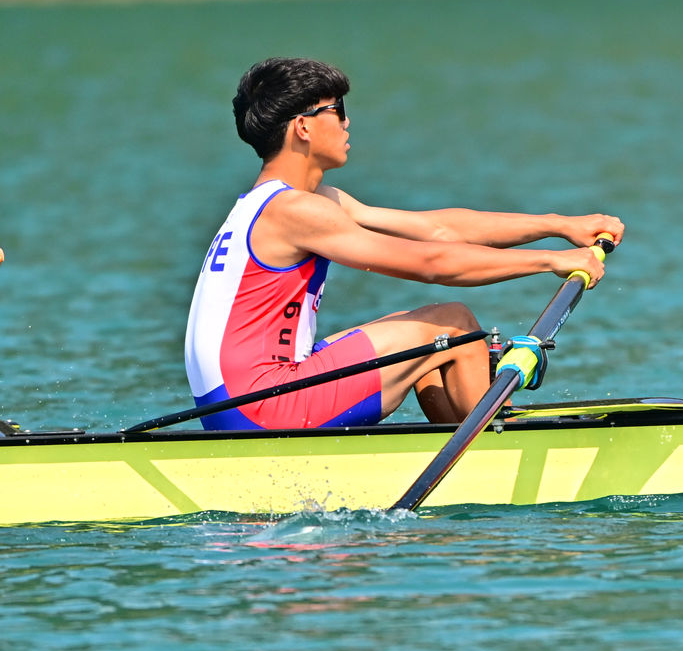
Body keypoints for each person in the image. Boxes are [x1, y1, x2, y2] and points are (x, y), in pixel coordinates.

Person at [185, 57, 623, 430]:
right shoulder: (297, 211)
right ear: (303, 126)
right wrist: (551, 261)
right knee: (452, 324)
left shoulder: (287, 201)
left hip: (239, 403)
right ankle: (497, 442)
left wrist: (558, 225)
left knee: (428, 346)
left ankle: (460, 439)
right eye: (337, 110)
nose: (347, 122)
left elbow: (437, 230)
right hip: (262, 406)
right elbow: (433, 263)